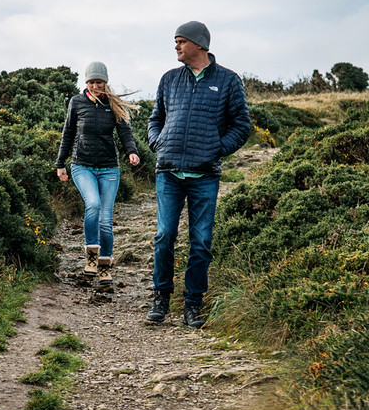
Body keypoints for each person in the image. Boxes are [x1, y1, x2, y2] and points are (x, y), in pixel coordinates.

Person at [147, 21, 252, 327]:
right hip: (168, 171)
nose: (176, 46)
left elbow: (241, 125)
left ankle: (193, 303)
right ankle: (161, 299)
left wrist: (216, 149)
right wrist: (158, 142)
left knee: (201, 241)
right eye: (175, 42)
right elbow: (156, 119)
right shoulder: (169, 79)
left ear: (199, 44)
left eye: (181, 41)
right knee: (164, 235)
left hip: (205, 174)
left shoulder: (229, 81)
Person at [55, 61, 141, 287]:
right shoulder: (77, 102)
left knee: (105, 220)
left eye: (100, 82)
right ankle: (91, 258)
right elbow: (68, 133)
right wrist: (60, 163)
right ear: (86, 82)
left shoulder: (112, 104)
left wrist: (131, 151)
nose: (96, 86)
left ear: (105, 82)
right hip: (82, 165)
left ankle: (104, 268)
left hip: (109, 168)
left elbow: (125, 132)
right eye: (92, 82)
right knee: (92, 204)